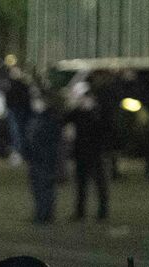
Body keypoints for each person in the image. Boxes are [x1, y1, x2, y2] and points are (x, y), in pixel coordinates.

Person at [66, 80, 111, 221]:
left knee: (99, 184)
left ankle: (102, 212)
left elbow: (105, 128)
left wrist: (93, 111)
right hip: (81, 152)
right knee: (81, 185)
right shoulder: (78, 112)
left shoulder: (97, 111)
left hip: (95, 152)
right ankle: (80, 212)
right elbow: (65, 119)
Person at [22, 88, 64, 224]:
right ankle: (41, 213)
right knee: (37, 188)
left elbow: (51, 140)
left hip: (45, 159)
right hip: (36, 159)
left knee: (45, 188)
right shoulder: (34, 118)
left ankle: (45, 215)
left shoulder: (50, 118)